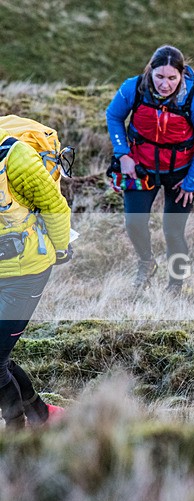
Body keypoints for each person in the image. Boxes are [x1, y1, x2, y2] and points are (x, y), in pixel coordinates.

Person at [106, 44, 194, 293]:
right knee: (134, 223)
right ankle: (147, 262)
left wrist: (192, 181)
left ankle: (175, 285)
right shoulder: (132, 88)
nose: (165, 84)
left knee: (173, 231)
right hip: (140, 168)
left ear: (181, 75)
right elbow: (113, 116)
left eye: (171, 78)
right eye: (159, 77)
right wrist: (123, 154)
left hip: (181, 174)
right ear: (150, 71)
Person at [0, 126, 71, 429]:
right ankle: (43, 417)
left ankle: (16, 436)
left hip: (25, 273)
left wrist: (62, 247)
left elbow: (55, 207)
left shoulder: (16, 158)